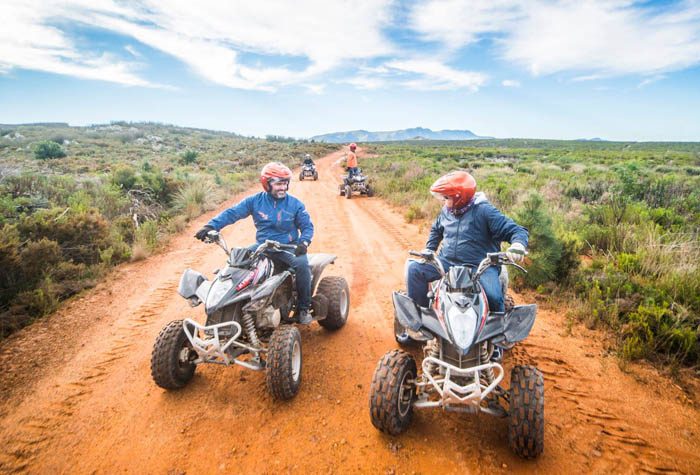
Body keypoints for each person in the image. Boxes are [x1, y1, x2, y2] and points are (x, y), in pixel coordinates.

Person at [195, 162, 315, 324]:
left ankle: (304, 307)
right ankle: (234, 305)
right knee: (236, 262)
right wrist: (211, 225)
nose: (283, 188)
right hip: (263, 246)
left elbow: (307, 227)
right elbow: (232, 213)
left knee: (302, 265)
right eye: (278, 183)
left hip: (288, 247)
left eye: (285, 183)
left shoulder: (295, 204)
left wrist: (304, 242)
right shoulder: (255, 201)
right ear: (266, 184)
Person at [406, 170, 528, 314]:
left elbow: (516, 231)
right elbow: (436, 229)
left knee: (493, 296)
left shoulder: (485, 211)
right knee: (414, 270)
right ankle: (421, 317)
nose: (444, 201)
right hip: (447, 263)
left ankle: (497, 331)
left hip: (479, 266)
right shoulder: (447, 210)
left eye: (447, 197)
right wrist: (430, 248)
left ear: (459, 197)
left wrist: (518, 245)